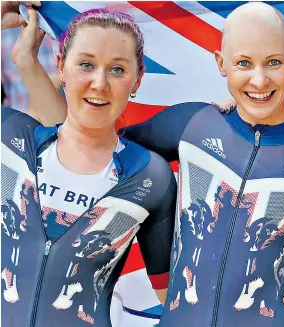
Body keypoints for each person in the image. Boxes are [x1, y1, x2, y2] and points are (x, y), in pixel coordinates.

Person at [21, 2, 284, 326]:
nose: (259, 80)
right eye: (243, 63)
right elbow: (78, 137)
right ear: (221, 63)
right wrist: (26, 63)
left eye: (274, 62)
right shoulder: (191, 125)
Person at [1, 7, 176, 327]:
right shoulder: (9, 135)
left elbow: (182, 306)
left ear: (137, 79)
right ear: (60, 67)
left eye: (117, 70)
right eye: (86, 64)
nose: (100, 82)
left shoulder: (150, 177)